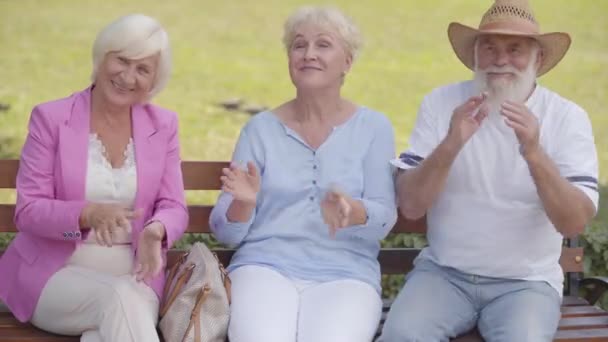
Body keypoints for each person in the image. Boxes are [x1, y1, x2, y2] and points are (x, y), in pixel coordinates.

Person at [379, 0, 599, 341]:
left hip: (526, 284)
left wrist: (533, 151)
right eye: (489, 48)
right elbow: (410, 205)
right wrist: (452, 142)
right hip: (444, 274)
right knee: (401, 337)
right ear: (474, 55)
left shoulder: (567, 117)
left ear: (538, 59)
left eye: (515, 49)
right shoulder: (440, 104)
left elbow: (574, 222)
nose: (500, 60)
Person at [209, 6, 397, 342]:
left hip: (347, 272)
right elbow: (226, 233)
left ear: (348, 62)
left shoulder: (373, 128)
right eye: (299, 45)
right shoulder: (260, 130)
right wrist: (243, 205)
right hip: (264, 267)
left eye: (323, 44)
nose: (309, 54)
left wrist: (353, 212)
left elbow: (384, 218)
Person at [0, 14, 188, 342]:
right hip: (54, 273)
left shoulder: (164, 125)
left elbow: (173, 205)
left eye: (142, 69)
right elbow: (28, 210)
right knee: (117, 298)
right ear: (103, 57)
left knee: (103, 330)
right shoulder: (52, 118)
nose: (128, 76)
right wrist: (87, 214)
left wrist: (155, 232)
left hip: (136, 271)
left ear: (154, 79)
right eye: (122, 61)